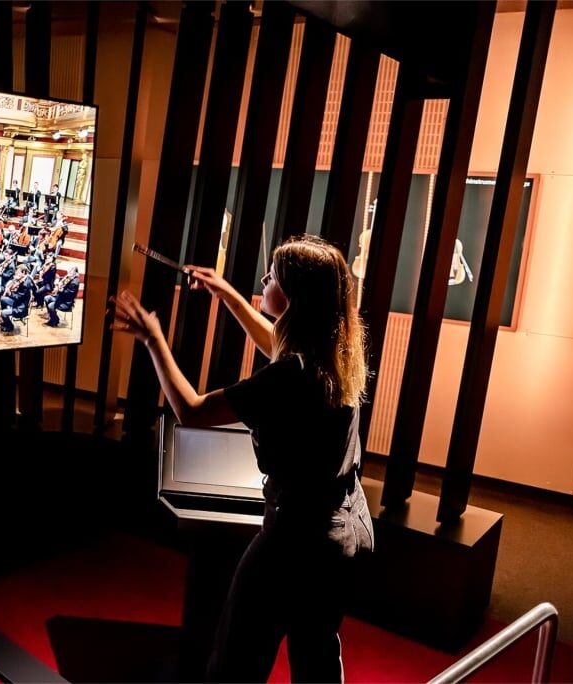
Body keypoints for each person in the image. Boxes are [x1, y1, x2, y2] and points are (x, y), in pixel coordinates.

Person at [109, 235, 374, 682]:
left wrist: (154, 339)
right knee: (316, 655)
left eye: (273, 275)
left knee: (237, 658)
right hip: (343, 530)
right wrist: (225, 292)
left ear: (293, 298)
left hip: (294, 539)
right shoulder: (335, 351)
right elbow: (275, 339)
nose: (265, 279)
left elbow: (191, 410)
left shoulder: (290, 375)